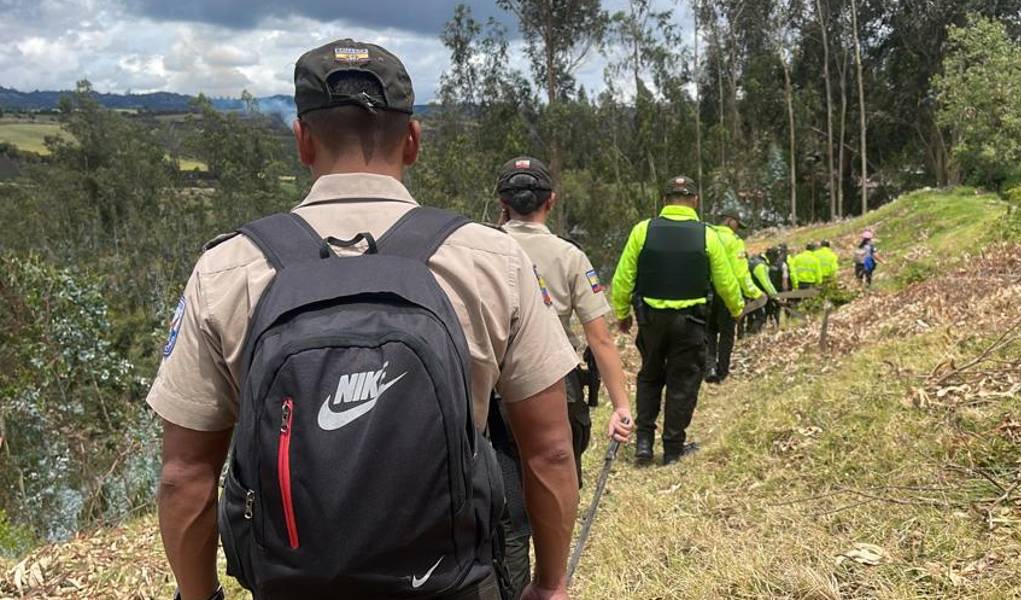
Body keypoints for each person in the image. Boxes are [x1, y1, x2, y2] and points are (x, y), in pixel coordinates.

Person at [149, 40, 579, 600]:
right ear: (413, 140)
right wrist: (549, 583)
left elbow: (184, 475)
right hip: (452, 584)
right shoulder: (490, 258)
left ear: (303, 141)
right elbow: (549, 450)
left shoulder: (228, 267)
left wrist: (198, 595)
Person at [494, 156, 635, 595]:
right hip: (557, 386)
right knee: (553, 480)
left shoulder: (477, 247)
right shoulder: (570, 256)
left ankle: (512, 584)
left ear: (502, 204)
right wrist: (622, 406)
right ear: (550, 201)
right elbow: (601, 340)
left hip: (490, 388)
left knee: (505, 507)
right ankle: (551, 581)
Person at [610, 176, 744, 466]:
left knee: (650, 376)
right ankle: (672, 448)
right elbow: (725, 281)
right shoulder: (707, 234)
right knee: (682, 381)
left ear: (664, 201)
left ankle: (644, 443)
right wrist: (736, 308)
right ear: (695, 201)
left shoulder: (642, 230)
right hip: (691, 323)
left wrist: (622, 314)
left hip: (651, 321)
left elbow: (622, 279)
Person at [706, 209, 762, 384]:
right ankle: (722, 371)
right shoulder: (735, 241)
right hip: (728, 293)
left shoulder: (707, 235)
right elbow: (740, 274)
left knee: (708, 332)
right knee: (727, 333)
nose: (738, 229)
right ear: (730, 221)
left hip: (706, 291)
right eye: (737, 224)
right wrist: (755, 293)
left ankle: (709, 368)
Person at [747, 252, 780, 333]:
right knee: (760, 316)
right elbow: (767, 284)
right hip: (757, 294)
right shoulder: (760, 266)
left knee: (750, 316)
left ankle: (744, 334)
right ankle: (752, 335)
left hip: (748, 293)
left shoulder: (752, 261)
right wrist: (777, 297)